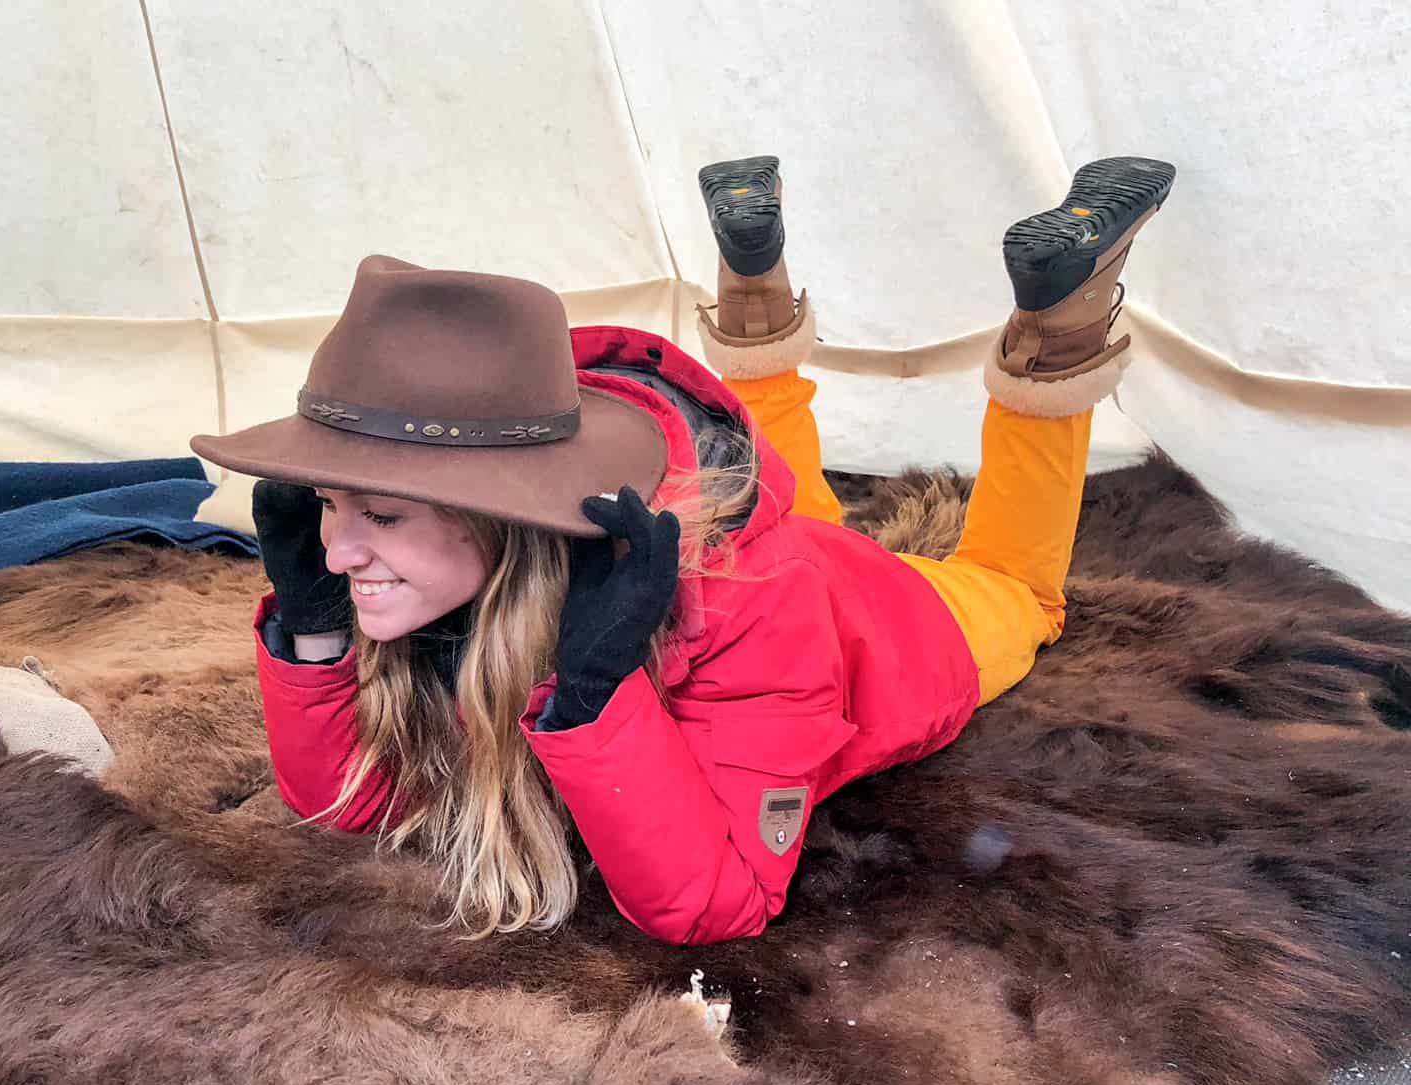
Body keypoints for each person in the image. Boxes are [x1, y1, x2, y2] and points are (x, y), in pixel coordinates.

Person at [190, 155, 1175, 946]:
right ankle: (754, 292)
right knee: (796, 508)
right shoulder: (430, 583)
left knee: (1017, 588)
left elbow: (719, 906)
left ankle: (1061, 325)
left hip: (904, 629)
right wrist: (313, 636)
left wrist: (597, 694)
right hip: (797, 571)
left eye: (382, 516)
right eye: (327, 503)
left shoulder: (739, 613)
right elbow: (351, 808)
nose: (337, 549)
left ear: (503, 517)